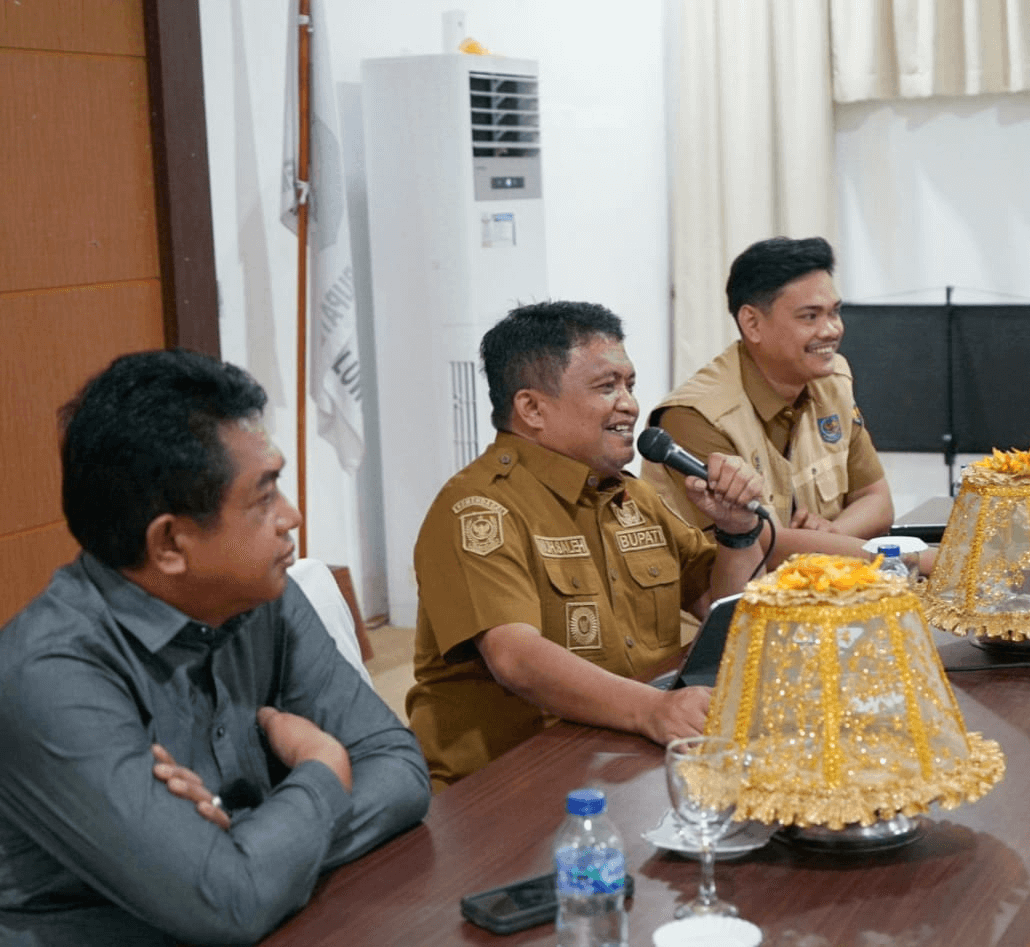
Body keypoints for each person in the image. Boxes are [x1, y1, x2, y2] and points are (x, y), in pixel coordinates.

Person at [0, 349, 432, 946]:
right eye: (264, 497)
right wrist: (322, 768)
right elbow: (229, 903)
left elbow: (399, 768)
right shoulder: (49, 675)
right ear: (169, 544)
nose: (291, 517)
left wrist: (248, 846)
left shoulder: (262, 595)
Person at [407, 301, 765, 789]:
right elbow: (516, 657)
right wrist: (652, 710)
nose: (630, 405)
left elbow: (723, 613)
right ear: (532, 409)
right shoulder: (477, 509)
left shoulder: (633, 497)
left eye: (630, 385)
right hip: (511, 783)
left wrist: (737, 531)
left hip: (630, 754)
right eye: (606, 387)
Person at [643, 236, 896, 565]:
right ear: (752, 323)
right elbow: (764, 543)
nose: (832, 330)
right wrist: (922, 559)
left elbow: (877, 500)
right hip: (729, 597)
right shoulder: (694, 416)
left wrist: (831, 534)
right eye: (810, 317)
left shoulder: (832, 380)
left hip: (818, 587)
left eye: (834, 312)